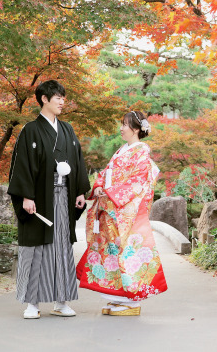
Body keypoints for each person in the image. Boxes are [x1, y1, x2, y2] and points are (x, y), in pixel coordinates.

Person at [8, 80, 89, 319]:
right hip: (39, 199)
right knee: (36, 250)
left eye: (64, 97)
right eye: (58, 97)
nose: (63, 101)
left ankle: (61, 301)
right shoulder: (30, 130)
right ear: (44, 98)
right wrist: (26, 196)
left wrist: (80, 191)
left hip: (63, 197)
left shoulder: (67, 130)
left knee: (62, 247)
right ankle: (32, 303)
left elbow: (78, 161)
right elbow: (22, 164)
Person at [76, 110, 167, 316]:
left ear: (135, 128)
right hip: (110, 210)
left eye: (124, 124)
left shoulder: (141, 151)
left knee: (127, 254)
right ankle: (117, 299)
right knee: (111, 254)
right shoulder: (121, 151)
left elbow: (137, 182)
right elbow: (106, 173)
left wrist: (109, 192)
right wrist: (98, 186)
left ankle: (131, 301)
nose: (121, 128)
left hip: (126, 213)